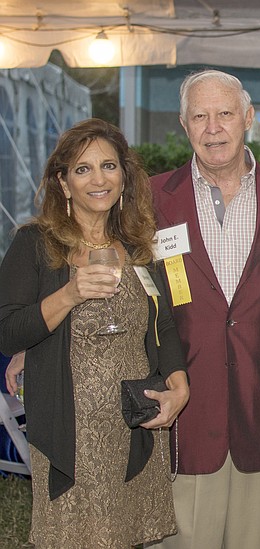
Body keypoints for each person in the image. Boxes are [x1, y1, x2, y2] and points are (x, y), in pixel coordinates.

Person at [147, 69, 260, 549]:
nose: (213, 128)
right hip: (183, 404)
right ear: (183, 125)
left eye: (224, 113)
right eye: (199, 117)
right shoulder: (152, 198)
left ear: (248, 117)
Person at [0, 118, 190, 547]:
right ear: (63, 183)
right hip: (72, 433)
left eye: (108, 166)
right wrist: (69, 294)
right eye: (82, 169)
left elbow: (161, 323)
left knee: (127, 536)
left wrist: (179, 386)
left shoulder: (139, 245)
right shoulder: (36, 243)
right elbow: (8, 333)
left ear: (124, 177)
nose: (98, 179)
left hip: (134, 424)